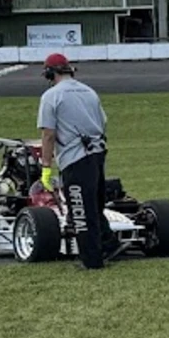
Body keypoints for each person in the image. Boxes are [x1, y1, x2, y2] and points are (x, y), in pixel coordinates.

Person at [37, 52, 112, 269]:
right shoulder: (90, 92)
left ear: (50, 73)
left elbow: (48, 134)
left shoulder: (51, 97)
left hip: (74, 158)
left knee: (80, 211)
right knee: (95, 207)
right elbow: (103, 122)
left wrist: (45, 168)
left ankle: (92, 261)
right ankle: (108, 246)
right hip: (97, 154)